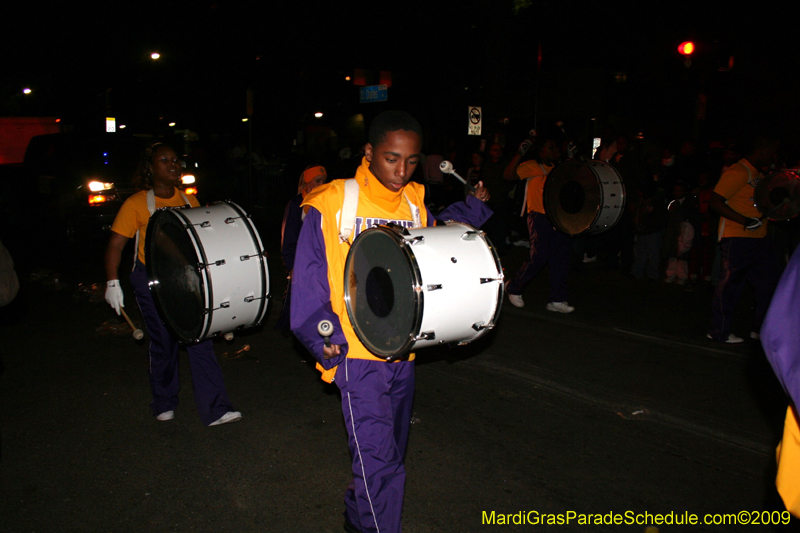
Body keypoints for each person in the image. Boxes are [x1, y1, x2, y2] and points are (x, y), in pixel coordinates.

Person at [290, 111, 491, 533]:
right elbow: (308, 278)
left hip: (403, 353)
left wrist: (473, 207)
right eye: (392, 158)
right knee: (380, 464)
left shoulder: (414, 203)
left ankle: (357, 516)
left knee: (388, 454)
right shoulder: (331, 201)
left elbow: (438, 245)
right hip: (356, 355)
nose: (402, 171)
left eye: (412, 161)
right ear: (369, 152)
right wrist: (320, 334)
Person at [104, 142, 241, 426]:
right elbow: (116, 244)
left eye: (176, 160)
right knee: (163, 341)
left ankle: (216, 409)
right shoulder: (136, 203)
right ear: (150, 168)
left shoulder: (189, 201)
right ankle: (164, 401)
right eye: (165, 160)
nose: (173, 165)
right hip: (151, 280)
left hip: (185, 279)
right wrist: (112, 281)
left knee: (199, 337)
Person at [707, 137, 780, 344]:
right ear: (761, 149)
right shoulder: (738, 171)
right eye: (771, 152)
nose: (773, 157)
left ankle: (760, 329)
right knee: (730, 286)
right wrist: (744, 221)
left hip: (759, 239)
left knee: (768, 285)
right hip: (737, 238)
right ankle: (718, 331)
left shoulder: (757, 174)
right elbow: (715, 201)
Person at [504, 135, 575, 313]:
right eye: (550, 147)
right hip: (539, 217)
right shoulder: (533, 166)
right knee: (539, 256)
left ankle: (557, 299)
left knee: (561, 258)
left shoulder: (558, 169)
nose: (554, 150)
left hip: (558, 218)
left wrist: (572, 159)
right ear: (541, 150)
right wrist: (519, 154)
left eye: (555, 147)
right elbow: (508, 175)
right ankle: (513, 287)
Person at [274, 165, 328, 334]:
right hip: (302, 263)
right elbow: (288, 238)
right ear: (306, 183)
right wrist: (291, 266)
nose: (321, 184)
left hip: (321, 261)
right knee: (295, 306)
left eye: (324, 181)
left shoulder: (327, 202)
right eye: (317, 181)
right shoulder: (297, 204)